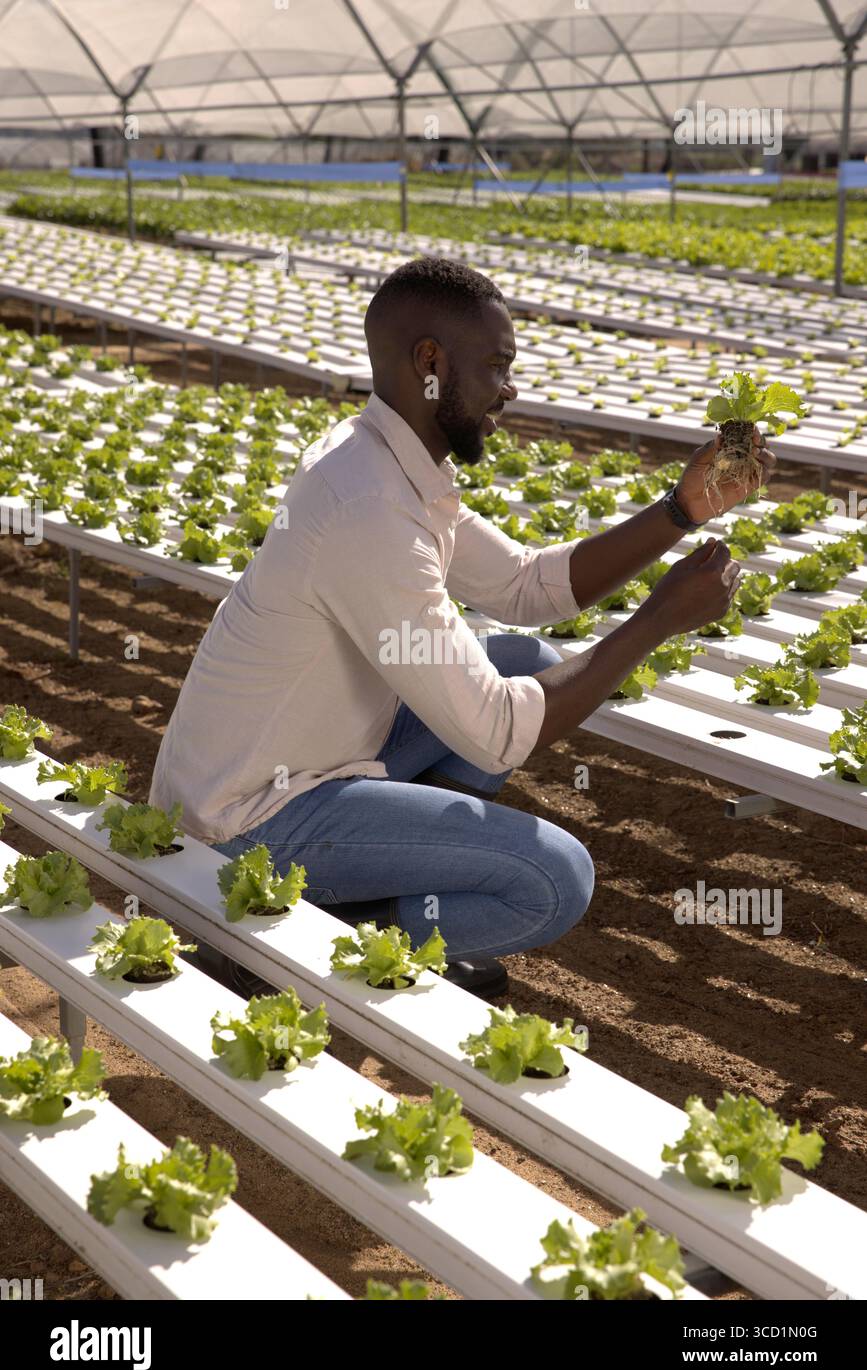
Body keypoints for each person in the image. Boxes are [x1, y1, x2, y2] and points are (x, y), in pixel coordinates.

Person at [150, 256, 774, 998]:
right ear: (430, 364)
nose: (509, 390)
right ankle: (271, 941)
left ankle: (387, 895)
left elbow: (523, 585)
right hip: (246, 824)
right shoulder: (369, 512)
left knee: (518, 655)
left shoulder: (378, 459)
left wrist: (681, 511)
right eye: (497, 367)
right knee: (553, 877)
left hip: (298, 769)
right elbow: (498, 733)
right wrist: (655, 620)